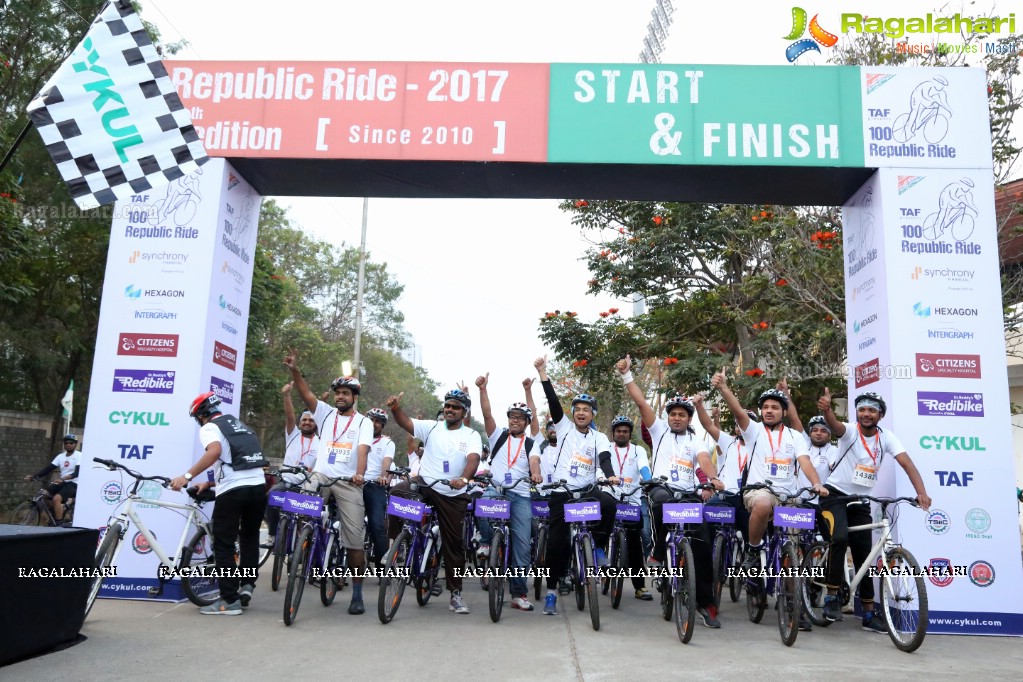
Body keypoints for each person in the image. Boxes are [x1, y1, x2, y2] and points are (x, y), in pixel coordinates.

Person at [616, 355, 722, 627]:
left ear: (689, 419)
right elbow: (641, 402)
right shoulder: (659, 429)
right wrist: (628, 375)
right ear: (668, 417)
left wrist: (712, 479)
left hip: (688, 494)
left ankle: (706, 604)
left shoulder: (695, 439)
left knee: (703, 544)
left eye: (682, 415)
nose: (677, 418)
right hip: (662, 488)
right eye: (673, 414)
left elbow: (705, 460)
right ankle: (659, 551)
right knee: (661, 503)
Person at [815, 389, 932, 633]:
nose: (866, 414)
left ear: (880, 414)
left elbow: (907, 463)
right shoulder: (849, 432)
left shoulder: (886, 437)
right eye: (862, 410)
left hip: (861, 499)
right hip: (834, 496)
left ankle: (868, 613)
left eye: (872, 410)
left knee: (864, 554)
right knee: (840, 538)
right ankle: (831, 597)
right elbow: (835, 426)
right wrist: (826, 411)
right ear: (857, 413)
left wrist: (921, 492)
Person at [709, 367, 828, 576]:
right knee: (763, 504)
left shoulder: (795, 436)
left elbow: (805, 462)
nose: (769, 411)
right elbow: (738, 411)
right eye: (765, 407)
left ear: (784, 412)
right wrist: (723, 388)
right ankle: (753, 550)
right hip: (759, 492)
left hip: (789, 496)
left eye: (775, 407)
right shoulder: (753, 431)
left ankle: (793, 590)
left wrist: (817, 483)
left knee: (793, 552)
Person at [283, 349, 373, 616]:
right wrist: (294, 370)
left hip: (348, 481)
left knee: (355, 540)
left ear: (354, 398)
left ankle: (357, 593)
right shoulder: (324, 414)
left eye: (346, 393)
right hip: (321, 475)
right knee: (304, 500)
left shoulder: (363, 422)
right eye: (337, 393)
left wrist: (359, 474)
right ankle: (304, 544)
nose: (340, 397)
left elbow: (363, 450)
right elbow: (305, 392)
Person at [534, 355, 618, 616]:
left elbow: (604, 458)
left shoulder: (600, 436)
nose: (581, 413)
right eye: (577, 409)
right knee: (557, 544)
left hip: (589, 490)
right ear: (573, 414)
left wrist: (610, 475)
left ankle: (600, 546)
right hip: (562, 492)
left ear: (593, 414)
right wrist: (543, 373)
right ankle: (551, 591)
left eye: (586, 409)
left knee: (609, 502)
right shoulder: (565, 427)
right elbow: (553, 402)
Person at [170, 393, 268, 615]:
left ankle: (229, 600)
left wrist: (187, 475)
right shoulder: (238, 424)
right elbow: (239, 459)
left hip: (233, 491)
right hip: (258, 488)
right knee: (249, 536)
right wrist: (210, 482)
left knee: (223, 543)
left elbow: (215, 452)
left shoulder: (209, 428)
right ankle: (247, 585)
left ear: (201, 415)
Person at [387, 388, 481, 615]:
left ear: (464, 411)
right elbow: (406, 424)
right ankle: (397, 545)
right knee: (398, 492)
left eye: (455, 407)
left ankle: (455, 594)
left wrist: (464, 478)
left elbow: (473, 458)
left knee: (454, 545)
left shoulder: (471, 435)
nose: (450, 410)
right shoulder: (432, 427)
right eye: (448, 405)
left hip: (453, 492)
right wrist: (395, 409)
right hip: (426, 483)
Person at [475, 372, 543, 611]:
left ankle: (518, 594)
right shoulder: (498, 437)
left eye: (519, 418)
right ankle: (485, 542)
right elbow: (486, 414)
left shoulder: (532, 443)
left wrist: (535, 473)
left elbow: (534, 462)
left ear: (526, 422)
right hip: (497, 489)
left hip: (521, 495)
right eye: (512, 417)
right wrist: (483, 390)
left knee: (522, 546)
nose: (515, 421)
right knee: (482, 505)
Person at [607, 415, 654, 601]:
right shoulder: (606, 448)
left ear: (629, 434)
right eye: (618, 431)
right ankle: (599, 568)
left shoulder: (638, 450)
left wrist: (648, 479)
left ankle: (639, 586)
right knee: (601, 532)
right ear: (613, 433)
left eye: (625, 431)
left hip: (632, 501)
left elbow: (644, 466)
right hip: (611, 497)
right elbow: (599, 466)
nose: (621, 434)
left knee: (636, 542)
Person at [267, 381, 318, 542]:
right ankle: (273, 535)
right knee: (270, 497)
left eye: (311, 420)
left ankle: (301, 544)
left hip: (305, 486)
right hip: (286, 482)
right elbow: (289, 416)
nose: (307, 423)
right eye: (304, 420)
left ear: (316, 424)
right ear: (300, 423)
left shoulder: (321, 441)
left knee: (305, 515)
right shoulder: (293, 434)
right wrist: (287, 395)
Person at [25, 434, 80, 524]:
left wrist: (62, 479)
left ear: (75, 444)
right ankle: (55, 514)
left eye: (71, 443)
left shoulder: (79, 455)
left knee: (56, 498)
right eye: (66, 443)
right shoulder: (60, 456)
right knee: (43, 494)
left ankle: (58, 522)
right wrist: (34, 476)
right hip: (62, 483)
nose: (68, 444)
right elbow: (48, 468)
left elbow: (76, 473)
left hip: (74, 484)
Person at [364, 407, 394, 568]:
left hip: (375, 486)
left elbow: (387, 462)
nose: (374, 424)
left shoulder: (387, 442)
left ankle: (383, 569)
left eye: (378, 422)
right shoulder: (357, 439)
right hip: (353, 485)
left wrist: (383, 476)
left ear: (382, 425)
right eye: (371, 420)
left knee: (377, 525)